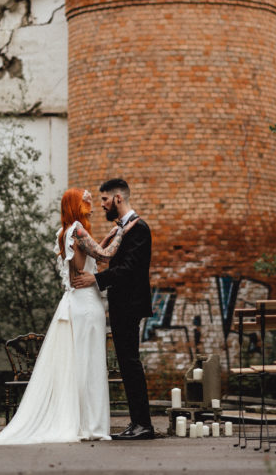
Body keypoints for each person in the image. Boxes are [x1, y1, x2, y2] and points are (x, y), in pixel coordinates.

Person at [0, 188, 135, 444]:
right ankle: (92, 427)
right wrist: (122, 233)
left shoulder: (65, 231)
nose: (90, 202)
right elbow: (104, 255)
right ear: (74, 205)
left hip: (75, 302)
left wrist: (109, 235)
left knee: (81, 364)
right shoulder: (78, 229)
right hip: (87, 304)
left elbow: (88, 253)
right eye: (85, 199)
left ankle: (84, 423)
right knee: (91, 364)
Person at [71, 178, 155, 440]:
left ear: (118, 198)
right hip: (122, 304)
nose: (103, 205)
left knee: (130, 363)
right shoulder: (123, 229)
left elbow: (131, 269)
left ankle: (143, 425)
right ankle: (137, 422)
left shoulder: (139, 228)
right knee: (127, 363)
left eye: (105, 200)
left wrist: (96, 280)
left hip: (130, 305)